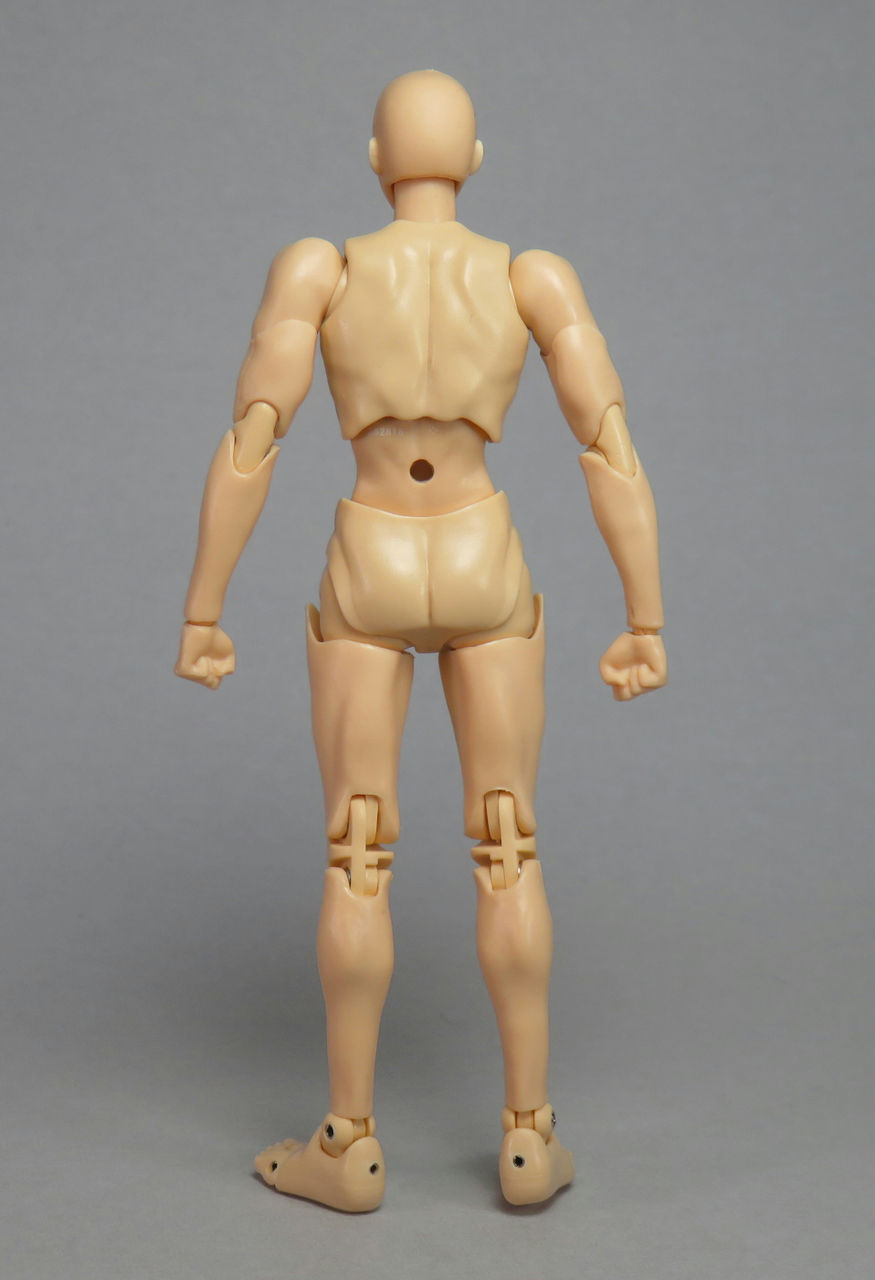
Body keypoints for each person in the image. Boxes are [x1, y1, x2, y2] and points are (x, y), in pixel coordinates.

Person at [175, 70, 667, 1211]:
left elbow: (252, 438)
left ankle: (348, 1143)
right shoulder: (530, 276)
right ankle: (529, 1139)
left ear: (373, 161)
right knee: (508, 843)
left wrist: (204, 608)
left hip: (373, 555)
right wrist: (643, 615)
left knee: (358, 850)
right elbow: (608, 443)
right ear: (475, 160)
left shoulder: (323, 270)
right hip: (483, 552)